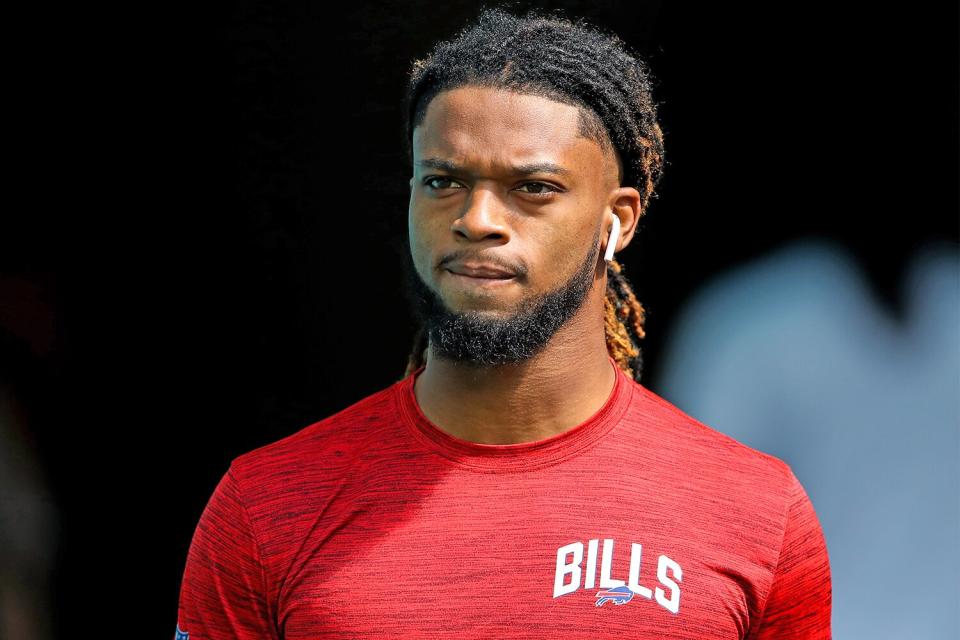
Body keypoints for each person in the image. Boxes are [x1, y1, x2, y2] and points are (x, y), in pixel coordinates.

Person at [174, 7, 832, 639]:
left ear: (619, 220)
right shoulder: (265, 507)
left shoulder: (755, 511)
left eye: (533, 188)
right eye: (443, 181)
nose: (478, 218)